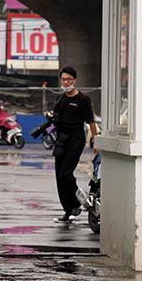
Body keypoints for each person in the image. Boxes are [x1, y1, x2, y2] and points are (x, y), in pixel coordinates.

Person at [51, 66, 98, 223]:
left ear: (75, 80)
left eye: (68, 79)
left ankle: (78, 202)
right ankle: (68, 210)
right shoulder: (61, 99)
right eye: (63, 79)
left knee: (66, 174)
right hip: (61, 140)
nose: (65, 82)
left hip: (76, 140)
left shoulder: (83, 99)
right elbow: (55, 117)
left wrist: (96, 141)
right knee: (59, 176)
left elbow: (91, 121)